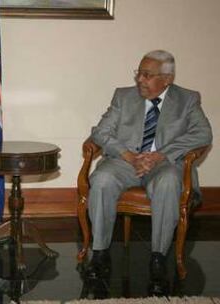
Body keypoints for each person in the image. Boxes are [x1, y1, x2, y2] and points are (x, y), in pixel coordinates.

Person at [85, 50, 212, 291]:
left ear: (167, 79)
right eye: (138, 73)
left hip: (165, 163)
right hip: (125, 161)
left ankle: (158, 257)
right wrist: (128, 155)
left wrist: (162, 154)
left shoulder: (188, 99)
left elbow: (203, 134)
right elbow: (100, 132)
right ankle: (100, 253)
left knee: (167, 182)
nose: (140, 80)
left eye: (147, 75)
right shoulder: (123, 97)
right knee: (101, 179)